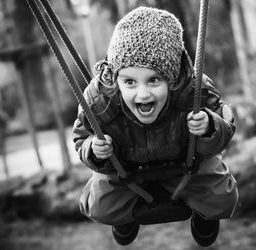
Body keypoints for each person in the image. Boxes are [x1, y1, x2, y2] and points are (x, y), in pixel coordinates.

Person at [72, 6, 239, 247]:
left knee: (223, 197)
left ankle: (205, 216)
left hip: (184, 165)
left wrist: (209, 126)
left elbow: (225, 124)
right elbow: (81, 136)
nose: (142, 94)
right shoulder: (99, 100)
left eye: (154, 80)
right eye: (129, 82)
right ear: (115, 79)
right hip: (127, 172)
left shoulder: (193, 91)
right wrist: (93, 150)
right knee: (98, 206)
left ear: (172, 79)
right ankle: (124, 217)